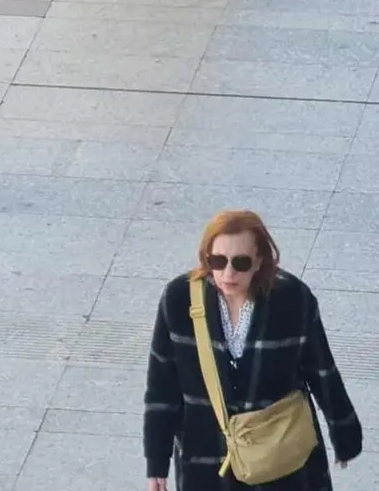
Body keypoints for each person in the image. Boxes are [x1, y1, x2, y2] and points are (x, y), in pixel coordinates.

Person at [143, 209, 361, 490]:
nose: (228, 273)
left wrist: (344, 435)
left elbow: (321, 371)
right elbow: (162, 388)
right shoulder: (178, 300)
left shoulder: (292, 300)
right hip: (208, 460)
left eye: (241, 262)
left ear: (260, 261)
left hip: (281, 457)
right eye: (218, 261)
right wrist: (156, 463)